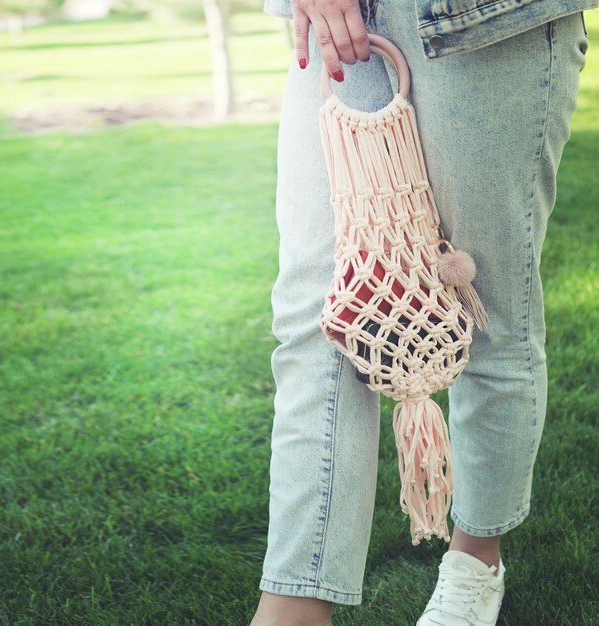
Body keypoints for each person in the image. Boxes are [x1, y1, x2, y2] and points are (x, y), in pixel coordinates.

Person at [250, 1, 595, 624]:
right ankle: (295, 601)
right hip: (330, 13)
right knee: (320, 313)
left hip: (486, 18)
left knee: (484, 305)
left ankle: (474, 562)